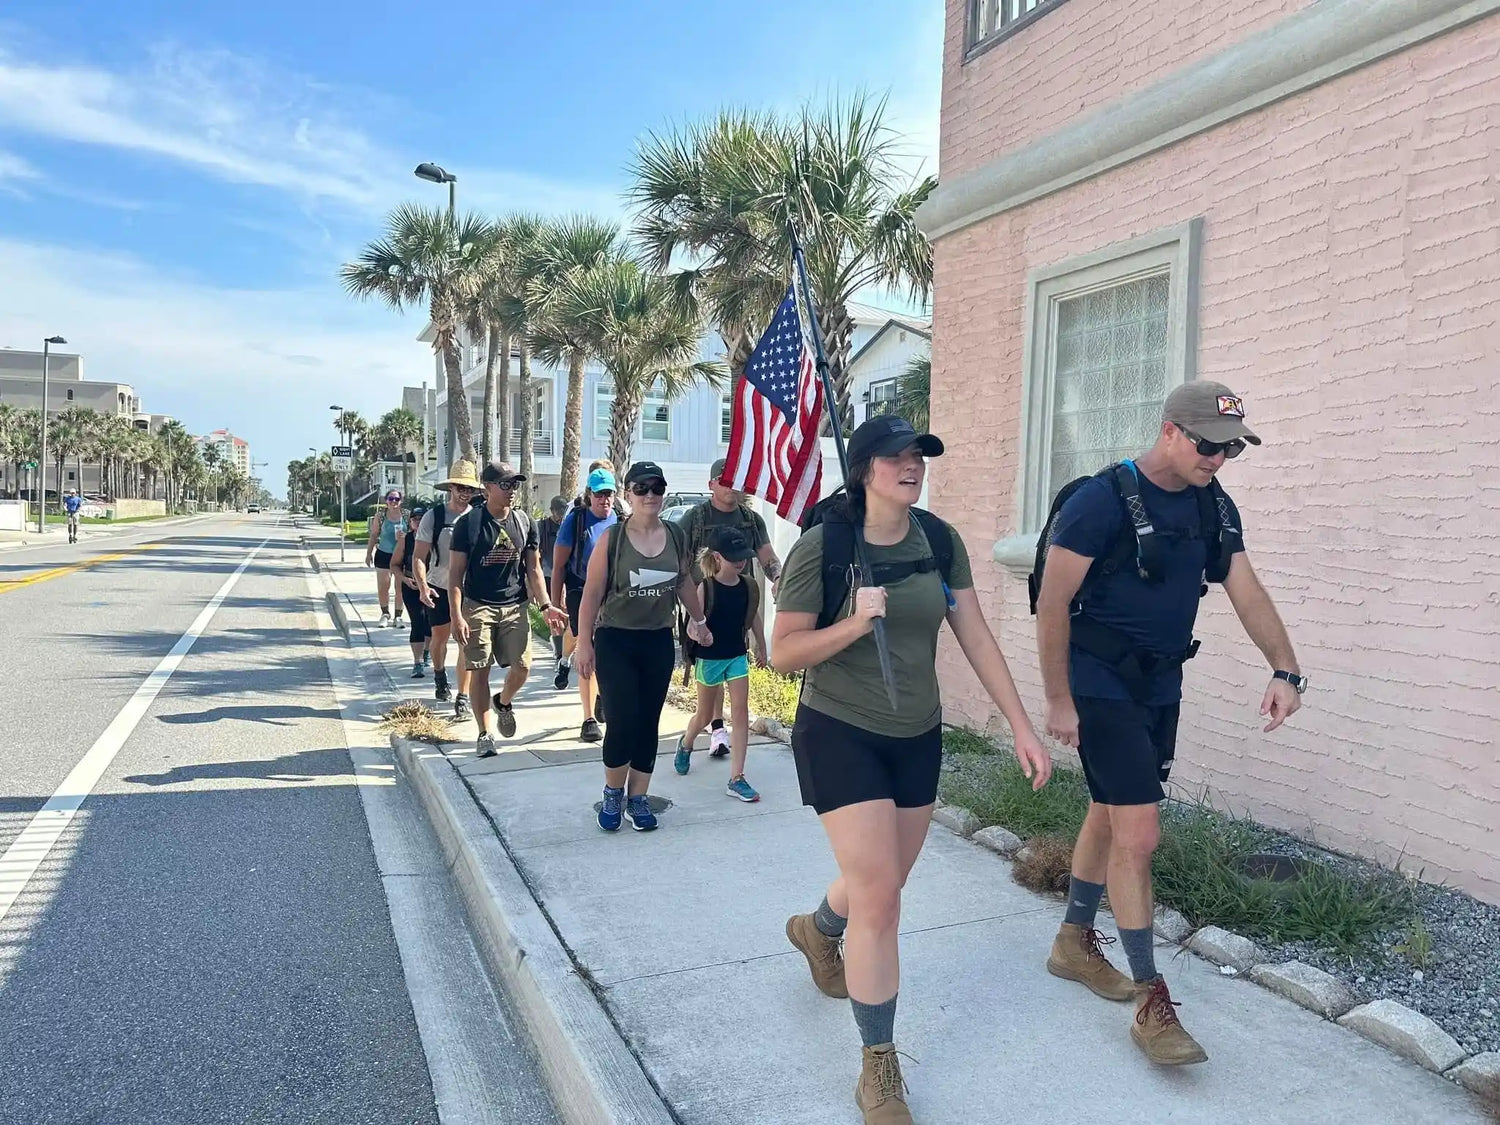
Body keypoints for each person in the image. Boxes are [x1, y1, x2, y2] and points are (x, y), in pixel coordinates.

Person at [772, 414, 1050, 1125]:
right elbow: (784, 652)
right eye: (895, 455)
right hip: (840, 731)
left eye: (918, 454)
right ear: (864, 468)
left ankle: (817, 928)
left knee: (881, 883)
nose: (911, 464)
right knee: (883, 900)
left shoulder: (939, 540)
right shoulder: (823, 547)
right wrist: (855, 624)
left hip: (916, 735)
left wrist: (1021, 724)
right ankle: (879, 1067)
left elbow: (975, 632)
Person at [1033, 380, 1304, 1066]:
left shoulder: (1214, 505)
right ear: (1171, 432)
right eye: (1209, 444)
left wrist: (1285, 667)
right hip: (1098, 680)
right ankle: (1153, 1004)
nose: (1219, 458)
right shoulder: (1101, 500)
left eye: (1231, 447)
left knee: (1111, 806)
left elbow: (1243, 585)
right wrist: (1058, 698)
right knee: (1140, 830)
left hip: (1160, 684)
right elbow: (1053, 602)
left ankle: (1072, 940)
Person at [573, 461, 711, 833]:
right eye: (641, 488)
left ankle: (639, 797)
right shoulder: (613, 539)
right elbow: (591, 594)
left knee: (649, 722)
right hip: (616, 638)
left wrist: (698, 622)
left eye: (657, 487)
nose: (650, 495)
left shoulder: (675, 535)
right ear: (628, 493)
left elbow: (683, 581)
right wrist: (583, 643)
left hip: (656, 640)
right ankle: (613, 791)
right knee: (622, 721)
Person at [449, 459, 567, 759]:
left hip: (515, 605)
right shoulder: (468, 525)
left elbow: (534, 568)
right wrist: (457, 615)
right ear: (487, 488)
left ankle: (502, 701)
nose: (512, 490)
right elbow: (455, 576)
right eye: (505, 484)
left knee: (523, 667)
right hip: (478, 606)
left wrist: (546, 605)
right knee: (480, 671)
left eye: (515, 484)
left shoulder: (524, 522)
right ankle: (484, 733)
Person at [677, 457, 784, 756]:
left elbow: (767, 557)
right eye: (724, 479)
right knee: (710, 680)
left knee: (734, 673)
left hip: (738, 609)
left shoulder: (751, 520)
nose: (731, 485)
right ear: (711, 484)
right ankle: (714, 729)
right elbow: (677, 560)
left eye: (736, 478)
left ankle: (722, 737)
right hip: (704, 608)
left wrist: (778, 577)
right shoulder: (695, 518)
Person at [673, 527, 767, 801]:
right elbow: (693, 624)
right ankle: (687, 742)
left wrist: (761, 644)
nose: (740, 561)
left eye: (743, 556)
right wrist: (700, 633)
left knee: (740, 712)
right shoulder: (706, 587)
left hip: (737, 655)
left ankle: (737, 777)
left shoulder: (748, 585)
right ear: (717, 557)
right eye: (733, 556)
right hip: (711, 658)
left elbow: (754, 618)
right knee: (704, 716)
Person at [550, 466, 619, 742]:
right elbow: (558, 566)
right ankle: (588, 718)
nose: (606, 500)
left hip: (612, 591)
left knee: (610, 649)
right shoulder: (576, 521)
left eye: (610, 494)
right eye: (601, 494)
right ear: (590, 494)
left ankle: (602, 695)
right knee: (586, 647)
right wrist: (554, 604)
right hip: (580, 589)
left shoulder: (619, 518)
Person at [415, 461, 481, 719]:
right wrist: (422, 586)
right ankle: (440, 675)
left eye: (469, 488)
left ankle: (463, 697)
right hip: (439, 586)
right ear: (451, 487)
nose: (465, 493)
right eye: (460, 487)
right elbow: (419, 556)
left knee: (466, 643)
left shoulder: (477, 516)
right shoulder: (436, 517)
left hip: (469, 590)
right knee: (440, 638)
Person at [389, 505, 432, 679]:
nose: (419, 522)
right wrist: (405, 579)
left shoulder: (434, 538)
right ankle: (418, 662)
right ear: (410, 522)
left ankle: (427, 651)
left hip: (432, 585)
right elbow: (394, 565)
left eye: (422, 519)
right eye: (415, 519)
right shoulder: (406, 540)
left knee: (431, 622)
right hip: (411, 585)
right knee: (417, 621)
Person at [366, 489, 405, 627]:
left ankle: (398, 616)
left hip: (401, 556)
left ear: (401, 501)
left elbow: (415, 534)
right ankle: (385, 613)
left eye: (396, 499)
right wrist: (368, 553)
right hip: (383, 554)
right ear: (386, 500)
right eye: (391, 499)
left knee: (400, 587)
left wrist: (404, 538)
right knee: (384, 586)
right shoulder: (380, 516)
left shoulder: (406, 515)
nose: (393, 502)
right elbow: (374, 535)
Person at [539, 495, 569, 670]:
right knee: (554, 613)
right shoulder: (543, 527)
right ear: (551, 511)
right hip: (548, 575)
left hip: (566, 574)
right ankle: (559, 651)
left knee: (565, 610)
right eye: (558, 513)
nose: (560, 517)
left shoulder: (568, 525)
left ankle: (564, 647)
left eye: (562, 513)